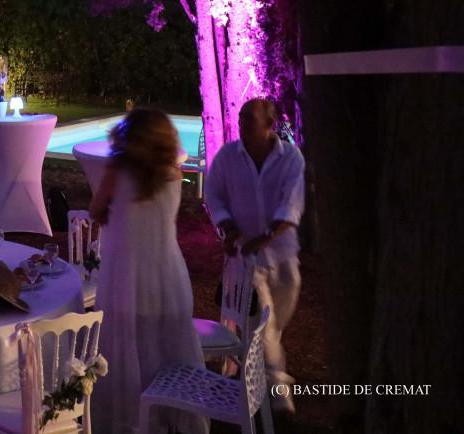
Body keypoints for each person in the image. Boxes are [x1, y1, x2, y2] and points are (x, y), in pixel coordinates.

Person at [89, 109, 207, 434]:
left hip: (126, 273)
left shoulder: (118, 171)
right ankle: (169, 416)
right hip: (167, 273)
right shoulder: (174, 172)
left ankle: (131, 419)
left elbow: (96, 209)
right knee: (166, 346)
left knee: (127, 347)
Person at [205, 98, 306, 413]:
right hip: (245, 258)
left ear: (269, 124)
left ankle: (252, 374)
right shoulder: (227, 157)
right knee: (263, 321)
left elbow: (291, 204)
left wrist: (264, 238)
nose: (242, 124)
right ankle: (278, 396)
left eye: (250, 119)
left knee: (273, 325)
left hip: (283, 254)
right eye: (241, 118)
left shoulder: (290, 158)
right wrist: (230, 230)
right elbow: (214, 194)